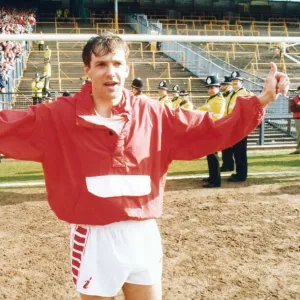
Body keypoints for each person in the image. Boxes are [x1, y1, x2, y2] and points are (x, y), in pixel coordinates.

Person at [0, 33, 289, 300]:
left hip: (142, 234)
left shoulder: (154, 113)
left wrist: (262, 100)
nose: (109, 71)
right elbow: (8, 128)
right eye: (100, 64)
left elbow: (209, 130)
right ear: (87, 70)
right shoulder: (57, 116)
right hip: (93, 236)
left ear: (128, 69)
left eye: (117, 63)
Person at [224, 71, 253, 182]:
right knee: (236, 151)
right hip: (231, 126)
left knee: (240, 152)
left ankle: (241, 175)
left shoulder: (246, 93)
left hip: (240, 127)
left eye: (237, 81)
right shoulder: (231, 94)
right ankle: (238, 173)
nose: (235, 82)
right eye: (233, 81)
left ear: (242, 82)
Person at [197, 76, 225, 188]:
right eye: (208, 88)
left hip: (214, 130)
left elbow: (200, 110)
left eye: (212, 87)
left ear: (218, 88)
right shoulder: (212, 99)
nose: (210, 90)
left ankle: (215, 181)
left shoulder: (217, 100)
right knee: (210, 156)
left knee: (213, 156)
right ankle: (212, 177)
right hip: (211, 130)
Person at [220, 75, 234, 172]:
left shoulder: (232, 95)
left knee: (229, 146)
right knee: (224, 146)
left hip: (230, 122)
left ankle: (229, 165)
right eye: (222, 84)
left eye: (225, 84)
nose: (222, 86)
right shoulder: (222, 95)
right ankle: (226, 164)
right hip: (223, 122)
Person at [289, 85, 300, 154]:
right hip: (298, 118)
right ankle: (298, 149)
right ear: (298, 91)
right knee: (299, 134)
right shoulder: (294, 99)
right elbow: (292, 109)